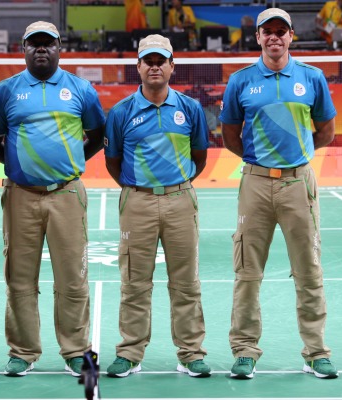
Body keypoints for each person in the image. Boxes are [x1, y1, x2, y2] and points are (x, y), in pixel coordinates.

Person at [219, 8, 338, 380]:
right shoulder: (240, 82)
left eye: (280, 31)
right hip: (255, 184)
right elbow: (231, 136)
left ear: (291, 36)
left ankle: (316, 352)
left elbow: (326, 131)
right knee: (247, 272)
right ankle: (245, 351)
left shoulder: (312, 78)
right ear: (257, 37)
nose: (274, 37)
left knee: (308, 270)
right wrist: (261, 164)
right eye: (267, 31)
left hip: (298, 183)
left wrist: (293, 160)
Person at [0, 21, 105, 378]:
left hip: (66, 194)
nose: (41, 49)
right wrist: (18, 164)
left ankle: (76, 352)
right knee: (19, 279)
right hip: (20, 196)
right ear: (23, 48)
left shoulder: (81, 89)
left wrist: (70, 163)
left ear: (59, 48)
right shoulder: (6, 91)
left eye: (47, 44)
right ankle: (23, 351)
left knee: (72, 278)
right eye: (34, 44)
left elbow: (97, 135)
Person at [104, 34, 211, 379]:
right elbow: (113, 162)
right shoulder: (121, 113)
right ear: (138, 66)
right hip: (137, 202)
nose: (154, 66)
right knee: (135, 281)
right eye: (148, 61)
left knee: (186, 282)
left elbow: (199, 157)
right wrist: (139, 193)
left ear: (171, 66)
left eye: (160, 61)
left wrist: (175, 188)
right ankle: (131, 353)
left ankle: (191, 352)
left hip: (181, 201)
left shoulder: (190, 109)